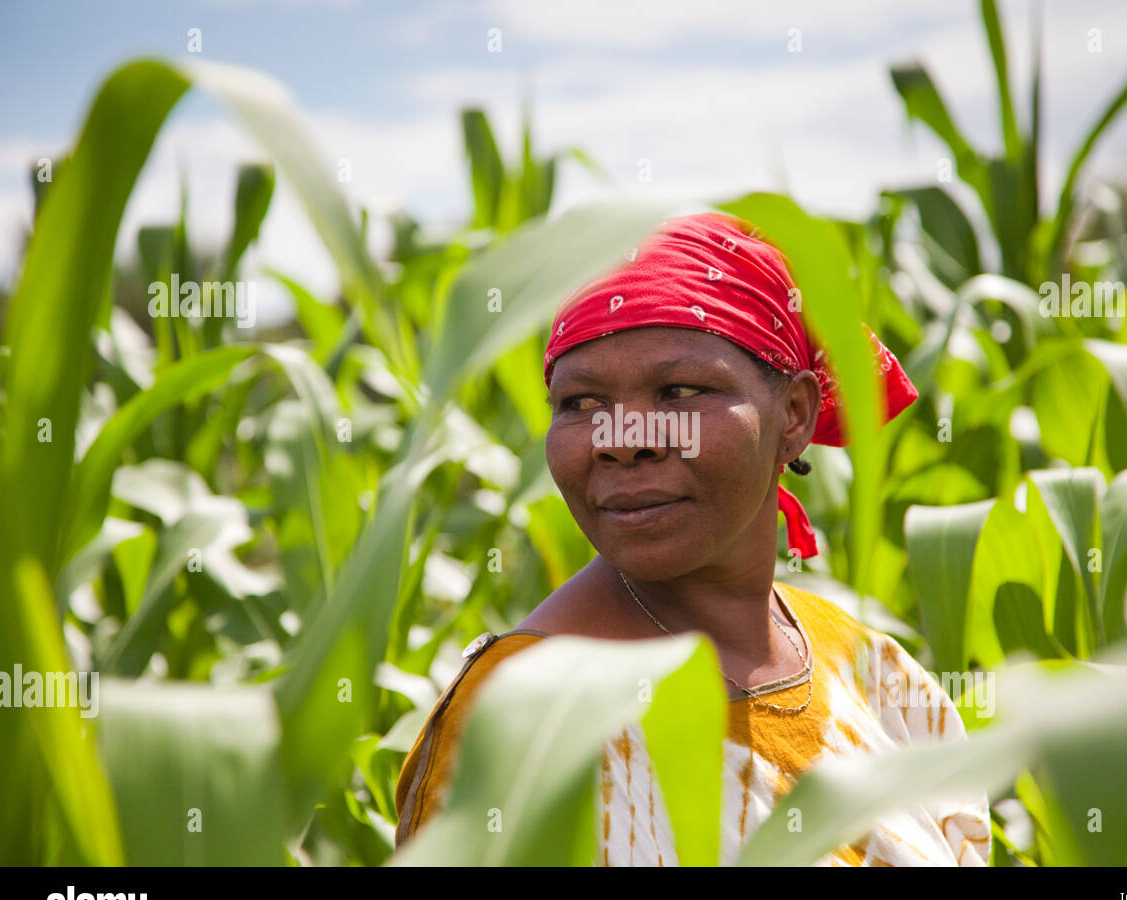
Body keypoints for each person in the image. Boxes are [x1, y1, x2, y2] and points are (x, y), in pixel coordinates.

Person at [395, 210, 992, 866]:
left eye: (678, 392)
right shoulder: (521, 721)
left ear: (794, 414)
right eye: (582, 404)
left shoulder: (874, 674)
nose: (623, 441)